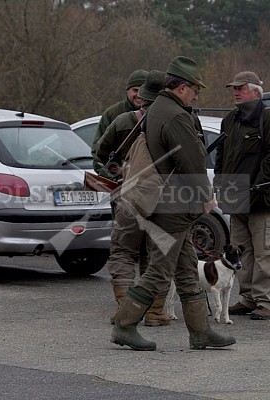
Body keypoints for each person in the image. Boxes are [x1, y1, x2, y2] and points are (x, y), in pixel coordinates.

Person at [110, 56, 236, 351]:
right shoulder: (177, 116)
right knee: (160, 271)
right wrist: (207, 197)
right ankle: (124, 326)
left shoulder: (157, 110)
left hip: (165, 203)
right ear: (181, 88)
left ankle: (200, 332)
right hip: (173, 206)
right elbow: (192, 161)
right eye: (195, 89)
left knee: (187, 269)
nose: (197, 94)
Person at [96, 70, 172, 326]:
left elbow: (100, 153)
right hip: (164, 198)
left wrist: (117, 175)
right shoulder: (180, 120)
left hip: (128, 197)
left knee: (122, 252)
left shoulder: (123, 120)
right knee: (157, 252)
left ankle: (126, 307)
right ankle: (154, 311)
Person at [214, 71, 270, 320]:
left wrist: (258, 186)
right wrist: (220, 182)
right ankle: (247, 298)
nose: (235, 92)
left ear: (255, 91)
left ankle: (266, 302)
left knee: (265, 251)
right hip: (237, 198)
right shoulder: (230, 120)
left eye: (240, 88)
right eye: (233, 88)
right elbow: (222, 155)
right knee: (240, 252)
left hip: (264, 198)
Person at [91, 69, 148, 177]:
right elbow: (97, 153)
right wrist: (112, 177)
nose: (139, 95)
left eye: (143, 90)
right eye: (135, 90)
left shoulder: (155, 114)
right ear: (127, 90)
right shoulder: (111, 114)